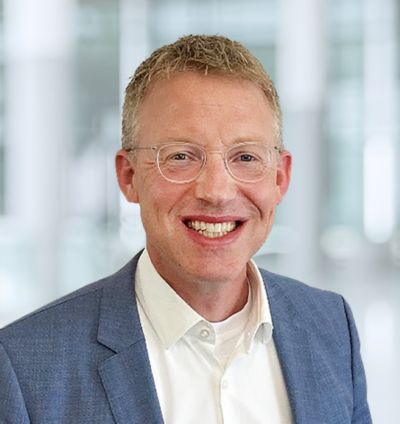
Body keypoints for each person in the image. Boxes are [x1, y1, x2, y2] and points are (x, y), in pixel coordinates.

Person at [0, 35, 372, 423]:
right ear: (128, 176)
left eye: (245, 157)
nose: (217, 192)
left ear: (280, 177)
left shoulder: (331, 325)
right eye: (180, 156)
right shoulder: (25, 371)